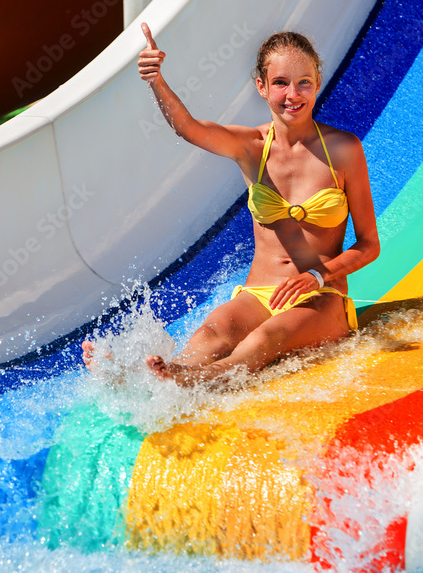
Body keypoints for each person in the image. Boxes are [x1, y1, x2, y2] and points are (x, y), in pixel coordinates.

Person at [83, 23, 379, 386]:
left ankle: (184, 381)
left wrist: (317, 276)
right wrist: (156, 80)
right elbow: (188, 128)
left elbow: (369, 245)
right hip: (258, 294)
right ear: (262, 87)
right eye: (281, 82)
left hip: (321, 297)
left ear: (317, 82)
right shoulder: (251, 147)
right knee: (212, 332)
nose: (293, 94)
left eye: (304, 82)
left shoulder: (344, 150)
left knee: (264, 339)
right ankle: (148, 380)